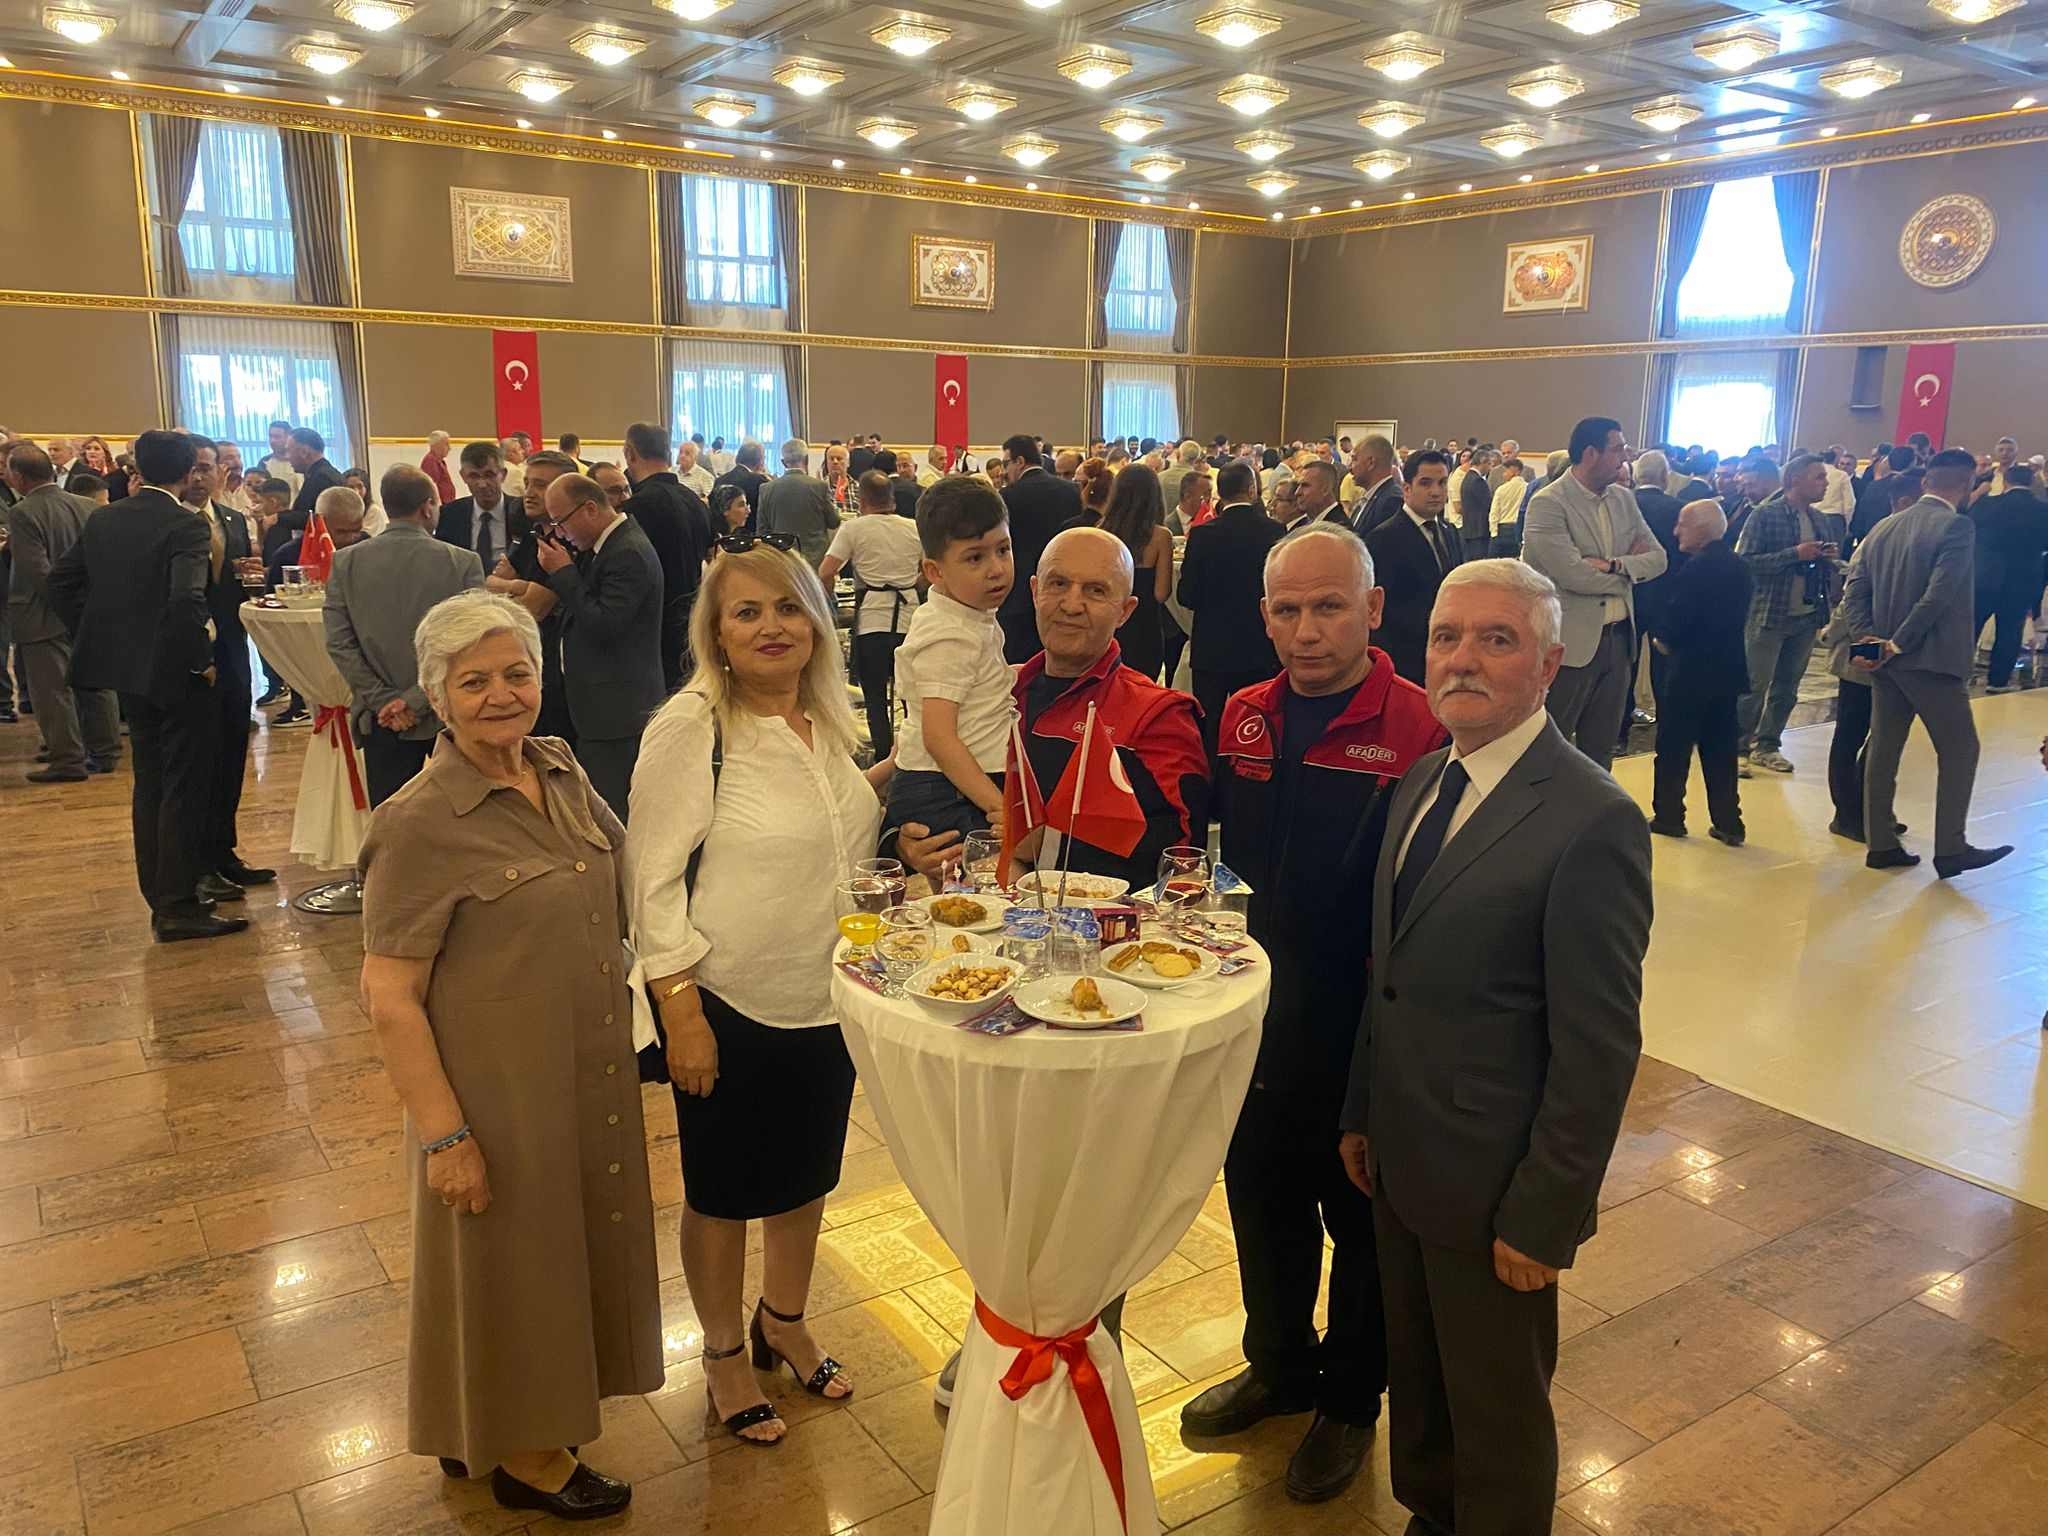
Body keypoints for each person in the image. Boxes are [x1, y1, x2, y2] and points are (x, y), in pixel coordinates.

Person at [1340, 558, 1651, 1536]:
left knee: (1498, 1407)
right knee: (1421, 1381)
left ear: (1549, 664)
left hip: (1495, 1183)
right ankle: (1433, 1514)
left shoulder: (1590, 820)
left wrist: (1544, 1215)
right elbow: (1388, 972)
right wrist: (1361, 1108)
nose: (1461, 659)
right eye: (1446, 637)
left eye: (1496, 639)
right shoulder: (1423, 780)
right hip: (1403, 1155)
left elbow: (1598, 1044)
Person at [356, 592, 658, 1520]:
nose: (501, 695)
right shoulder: (418, 821)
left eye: (517, 673)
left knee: (550, 1257)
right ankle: (530, 1458)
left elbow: (624, 876)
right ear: (437, 698)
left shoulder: (557, 768)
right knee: (514, 1263)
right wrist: (446, 1138)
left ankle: (477, 1424)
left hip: (581, 1065)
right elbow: (389, 996)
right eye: (474, 681)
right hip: (496, 1090)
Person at [1188, 524, 1443, 1503]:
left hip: (1360, 1027)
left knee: (1363, 1226)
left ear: (1372, 609)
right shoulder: (1243, 714)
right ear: (1264, 618)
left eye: (1329, 607)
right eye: (1288, 611)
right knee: (1261, 1202)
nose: (1306, 631)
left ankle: (1348, 1401)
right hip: (1256, 1020)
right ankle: (1280, 1365)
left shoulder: (1419, 727)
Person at [625, 543, 895, 1447]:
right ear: (716, 633)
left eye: (788, 607)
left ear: (817, 620)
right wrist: (681, 1012)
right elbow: (650, 880)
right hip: (728, 1000)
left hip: (828, 995)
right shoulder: (693, 727)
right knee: (722, 1191)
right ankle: (720, 1354)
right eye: (747, 612)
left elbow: (833, 828)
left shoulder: (829, 717)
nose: (772, 627)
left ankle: (783, 1320)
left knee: (805, 1176)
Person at [48, 430, 244, 942]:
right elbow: (185, 600)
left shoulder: (105, 518)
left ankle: (162, 896)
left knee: (151, 782)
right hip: (178, 672)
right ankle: (178, 905)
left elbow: (61, 584)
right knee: (184, 786)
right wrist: (199, 660)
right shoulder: (185, 523)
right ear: (186, 472)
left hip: (129, 670)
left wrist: (104, 633)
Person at [1843, 449, 2013, 878]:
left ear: (1925, 482)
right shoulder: (1957, 526)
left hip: (1884, 662)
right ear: (1968, 485)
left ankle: (1880, 843)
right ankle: (1951, 847)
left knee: (1883, 749)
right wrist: (1898, 643)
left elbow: (1855, 587)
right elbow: (1940, 593)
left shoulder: (1886, 525)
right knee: (1960, 749)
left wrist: (1870, 640)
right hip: (1931, 659)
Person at [325, 465, 488, 805]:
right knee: (463, 815)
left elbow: (339, 643)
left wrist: (383, 700)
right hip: (449, 711)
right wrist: (415, 700)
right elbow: (472, 644)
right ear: (428, 507)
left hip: (381, 718)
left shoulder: (345, 562)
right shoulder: (463, 562)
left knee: (391, 819)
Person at [1520, 416, 1667, 771]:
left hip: (1619, 641)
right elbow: (1574, 576)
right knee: (1549, 747)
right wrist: (1630, 573)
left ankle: (1594, 808)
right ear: (1590, 454)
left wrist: (1613, 565)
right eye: (1617, 449)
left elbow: (1659, 559)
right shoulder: (1549, 503)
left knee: (1601, 750)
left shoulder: (1624, 499)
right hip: (1569, 645)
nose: (1625, 457)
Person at [882, 475, 1016, 842]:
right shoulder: (949, 633)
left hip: (955, 780)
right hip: (944, 788)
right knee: (992, 874)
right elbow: (939, 736)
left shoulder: (967, 614)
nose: (996, 568)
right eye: (975, 557)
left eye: (1003, 549)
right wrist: (999, 806)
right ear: (935, 572)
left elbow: (972, 684)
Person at [536, 473, 667, 823]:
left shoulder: (628, 553)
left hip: (618, 713)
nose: (560, 532)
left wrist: (564, 573)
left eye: (561, 521)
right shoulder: (604, 548)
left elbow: (605, 624)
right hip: (600, 709)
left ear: (590, 509)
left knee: (613, 815)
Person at [181, 436, 274, 897]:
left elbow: (237, 586)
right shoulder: (171, 522)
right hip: (189, 659)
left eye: (209, 468)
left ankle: (224, 852)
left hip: (234, 656)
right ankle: (195, 863)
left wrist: (253, 580)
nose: (201, 477)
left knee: (232, 754)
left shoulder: (233, 519)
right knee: (196, 762)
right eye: (194, 468)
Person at [4, 443, 120, 782]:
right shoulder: (87, 506)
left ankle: (67, 759)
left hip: (44, 613)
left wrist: (64, 605)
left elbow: (36, 570)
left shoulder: (23, 513)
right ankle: (105, 750)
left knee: (53, 691)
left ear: (19, 476)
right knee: (97, 682)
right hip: (89, 608)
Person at [1650, 500, 1751, 845]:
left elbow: (1678, 618)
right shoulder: (1739, 566)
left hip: (1690, 672)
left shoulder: (1695, 569)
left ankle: (1669, 816)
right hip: (1727, 670)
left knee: (1673, 747)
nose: (1676, 530)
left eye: (1682, 523)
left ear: (1702, 529)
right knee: (1721, 750)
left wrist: (1662, 640)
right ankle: (1729, 822)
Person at [1735, 453, 1837, 774]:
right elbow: (1745, 562)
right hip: (1769, 612)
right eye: (1819, 477)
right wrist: (1794, 554)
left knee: (1787, 687)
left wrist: (1826, 558)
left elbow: (1822, 564)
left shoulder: (1820, 519)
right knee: (1754, 685)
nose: (1826, 483)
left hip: (1806, 614)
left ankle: (1768, 745)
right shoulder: (1765, 515)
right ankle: (1735, 747)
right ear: (1795, 480)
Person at [1179, 459, 1283, 757]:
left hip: (1211, 647)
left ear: (1220, 494)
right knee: (1256, 724)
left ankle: (1209, 778)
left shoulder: (1202, 534)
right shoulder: (1274, 531)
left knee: (1209, 726)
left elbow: (1186, 595)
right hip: (1258, 645)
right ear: (1252, 490)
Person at [819, 470, 925, 757]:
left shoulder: (853, 528)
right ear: (892, 499)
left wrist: (830, 604)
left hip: (871, 621)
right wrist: (910, 584)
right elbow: (931, 571)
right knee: (911, 696)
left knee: (875, 696)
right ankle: (913, 753)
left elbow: (826, 572)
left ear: (862, 501)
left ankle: (882, 756)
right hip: (911, 619)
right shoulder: (914, 528)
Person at [620, 422, 714, 690]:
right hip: (692, 621)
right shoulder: (695, 502)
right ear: (669, 454)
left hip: (651, 630)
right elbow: (709, 556)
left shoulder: (635, 508)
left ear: (629, 454)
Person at [1366, 450, 1461, 686]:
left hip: (1447, 654)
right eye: (1426, 483)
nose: (1436, 491)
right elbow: (1380, 609)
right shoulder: (1384, 538)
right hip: (1404, 661)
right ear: (1407, 489)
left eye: (1442, 483)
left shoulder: (1450, 533)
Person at [997, 433, 1086, 664]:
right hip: (1063, 589)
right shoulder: (1071, 492)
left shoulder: (1007, 496)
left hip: (1018, 594)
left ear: (1019, 461)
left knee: (1018, 668)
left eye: (1006, 463)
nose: (1004, 471)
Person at [1970, 464, 2048, 690]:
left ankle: (1960, 674)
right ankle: (1998, 681)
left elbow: (1970, 530)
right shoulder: (2043, 510)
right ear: (2031, 483)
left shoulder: (1986, 505)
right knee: (2010, 630)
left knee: (1971, 627)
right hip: (2023, 577)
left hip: (1985, 575)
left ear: (2005, 481)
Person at [1098, 462, 1172, 682]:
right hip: (1145, 628)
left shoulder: (1101, 531)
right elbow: (1161, 593)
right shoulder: (1161, 536)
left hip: (1109, 622)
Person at [435, 441, 520, 576]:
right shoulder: (448, 515)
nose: (482, 484)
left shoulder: (522, 512)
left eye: (489, 475)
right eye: (473, 476)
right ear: (463, 476)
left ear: (503, 474)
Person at [758, 437, 839, 571]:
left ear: (783, 462)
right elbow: (834, 522)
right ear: (806, 459)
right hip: (815, 561)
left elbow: (762, 530)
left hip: (782, 560)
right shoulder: (819, 486)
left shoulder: (766, 489)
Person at [285, 427, 346, 520]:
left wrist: (279, 518)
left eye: (289, 451)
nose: (287, 457)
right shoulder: (320, 473)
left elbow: (313, 518)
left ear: (304, 452)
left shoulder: (322, 478)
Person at [1348, 435, 1402, 537]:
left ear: (1371, 463)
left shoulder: (1391, 501)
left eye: (1354, 459)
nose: (1349, 467)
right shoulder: (1372, 497)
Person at [714, 441, 771, 529]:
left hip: (724, 532)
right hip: (751, 533)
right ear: (760, 462)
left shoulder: (719, 480)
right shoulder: (760, 481)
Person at [421, 430, 458, 505]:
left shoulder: (439, 461)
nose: (449, 448)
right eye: (446, 444)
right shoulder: (430, 461)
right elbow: (431, 487)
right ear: (436, 446)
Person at [889, 452, 924, 521]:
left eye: (905, 466)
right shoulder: (892, 489)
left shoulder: (923, 486)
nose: (902, 470)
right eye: (899, 466)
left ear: (915, 467)